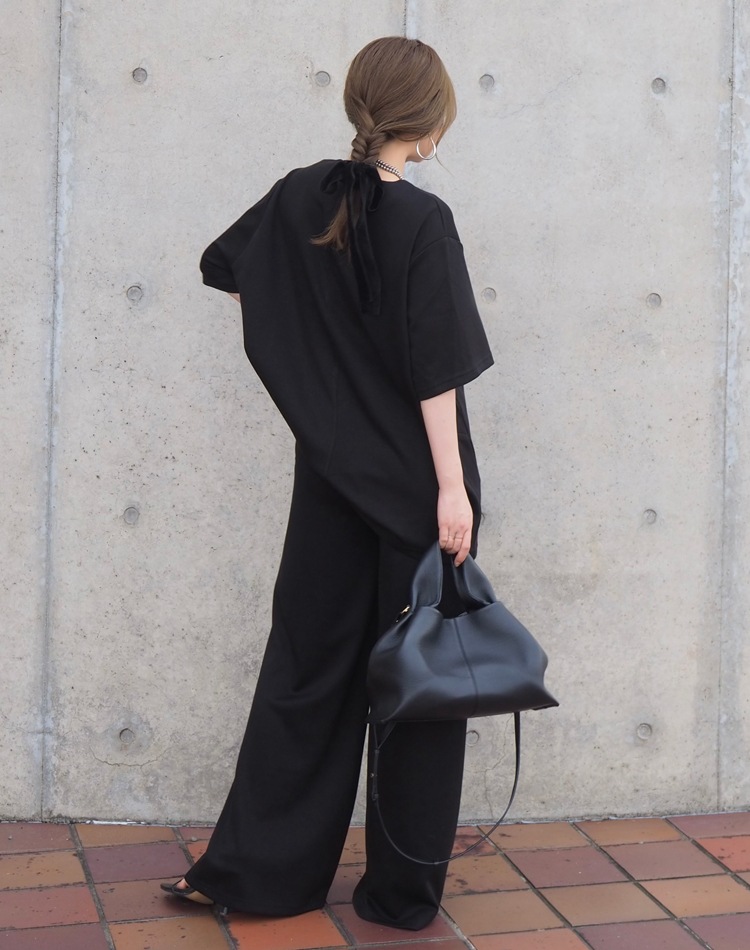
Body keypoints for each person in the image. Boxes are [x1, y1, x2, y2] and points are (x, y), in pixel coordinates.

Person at [160, 35, 493, 931]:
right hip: (418, 490)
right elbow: (436, 371)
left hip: (329, 479)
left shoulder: (298, 195)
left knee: (306, 671)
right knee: (420, 686)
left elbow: (228, 269)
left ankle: (257, 875)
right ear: (430, 125)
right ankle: (398, 896)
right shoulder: (422, 220)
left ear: (357, 106)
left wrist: (315, 378)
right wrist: (453, 489)